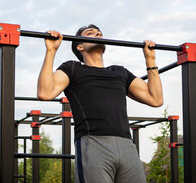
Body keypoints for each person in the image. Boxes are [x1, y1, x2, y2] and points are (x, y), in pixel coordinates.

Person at [37, 24, 164, 183]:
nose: (97, 34)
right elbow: (45, 92)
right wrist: (51, 51)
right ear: (80, 46)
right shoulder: (73, 68)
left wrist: (150, 59)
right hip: (94, 143)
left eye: (99, 33)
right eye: (91, 33)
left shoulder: (119, 72)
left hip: (127, 145)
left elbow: (156, 99)